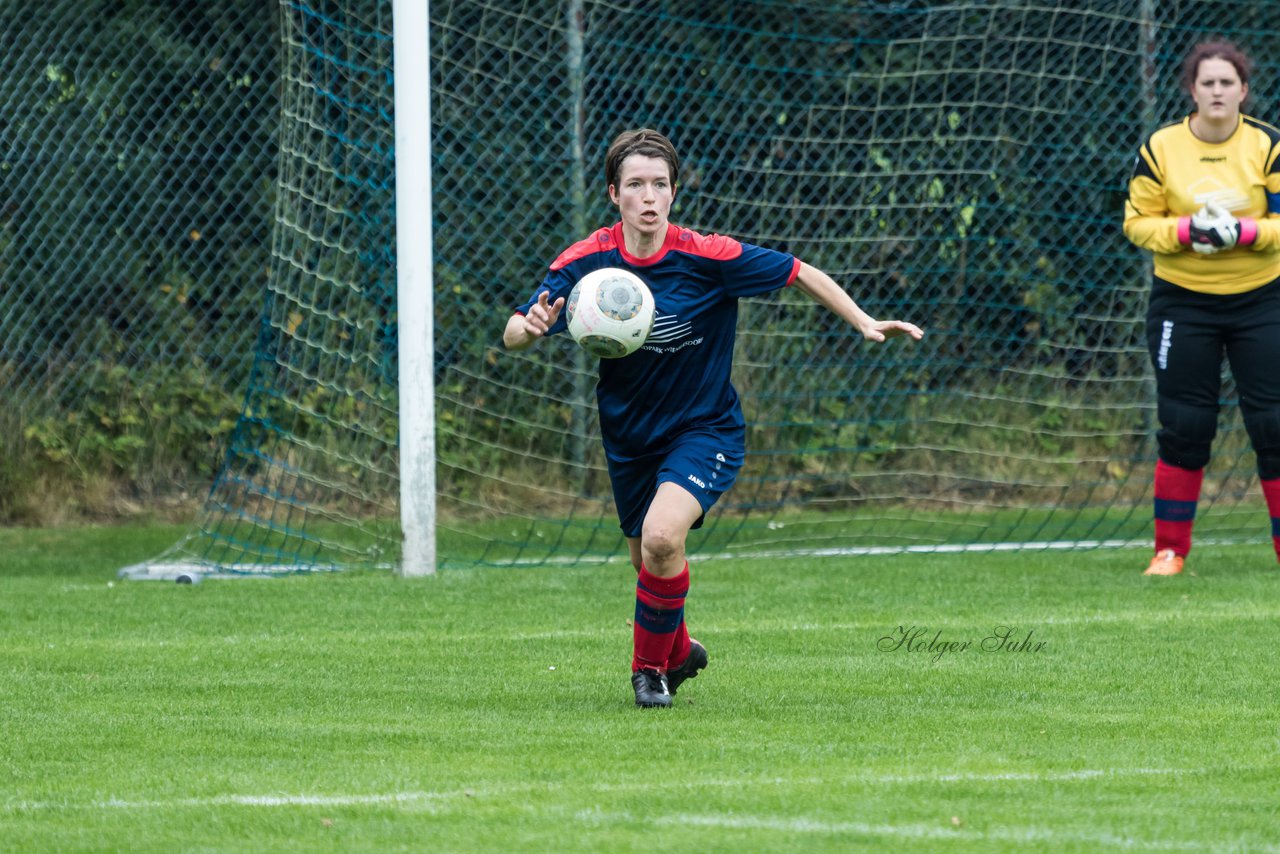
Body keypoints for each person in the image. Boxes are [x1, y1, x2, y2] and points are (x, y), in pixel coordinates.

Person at [504, 128, 924, 706]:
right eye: (635, 185)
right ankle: (679, 651)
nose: (648, 197)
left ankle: (650, 672)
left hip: (705, 428)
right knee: (648, 558)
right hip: (629, 433)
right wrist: (526, 329)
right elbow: (516, 329)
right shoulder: (588, 262)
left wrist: (862, 320)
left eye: (659, 185)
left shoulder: (707, 255)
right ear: (613, 194)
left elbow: (798, 271)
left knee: (660, 536)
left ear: (673, 193)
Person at [1123, 41, 1280, 576]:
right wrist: (1189, 230)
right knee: (1185, 425)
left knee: (1275, 424)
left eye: (1226, 82)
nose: (1217, 91)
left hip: (1262, 300)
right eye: (1207, 82)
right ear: (1192, 90)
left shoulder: (1268, 146)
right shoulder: (1161, 147)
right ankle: (1169, 551)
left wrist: (1246, 231)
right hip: (1182, 304)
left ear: (1243, 90)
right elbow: (1138, 223)